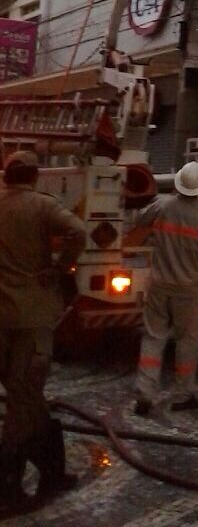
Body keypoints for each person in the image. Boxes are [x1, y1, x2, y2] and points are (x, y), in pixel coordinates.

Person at [0, 150, 86, 511]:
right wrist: (62, 266)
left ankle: (53, 473)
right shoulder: (41, 206)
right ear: (35, 176)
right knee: (25, 396)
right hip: (31, 316)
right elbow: (78, 231)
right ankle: (8, 492)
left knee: (23, 393)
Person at [124, 161, 198, 415]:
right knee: (188, 340)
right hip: (186, 288)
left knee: (153, 337)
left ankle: (145, 392)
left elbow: (138, 227)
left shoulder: (162, 205)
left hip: (158, 284)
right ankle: (183, 394)